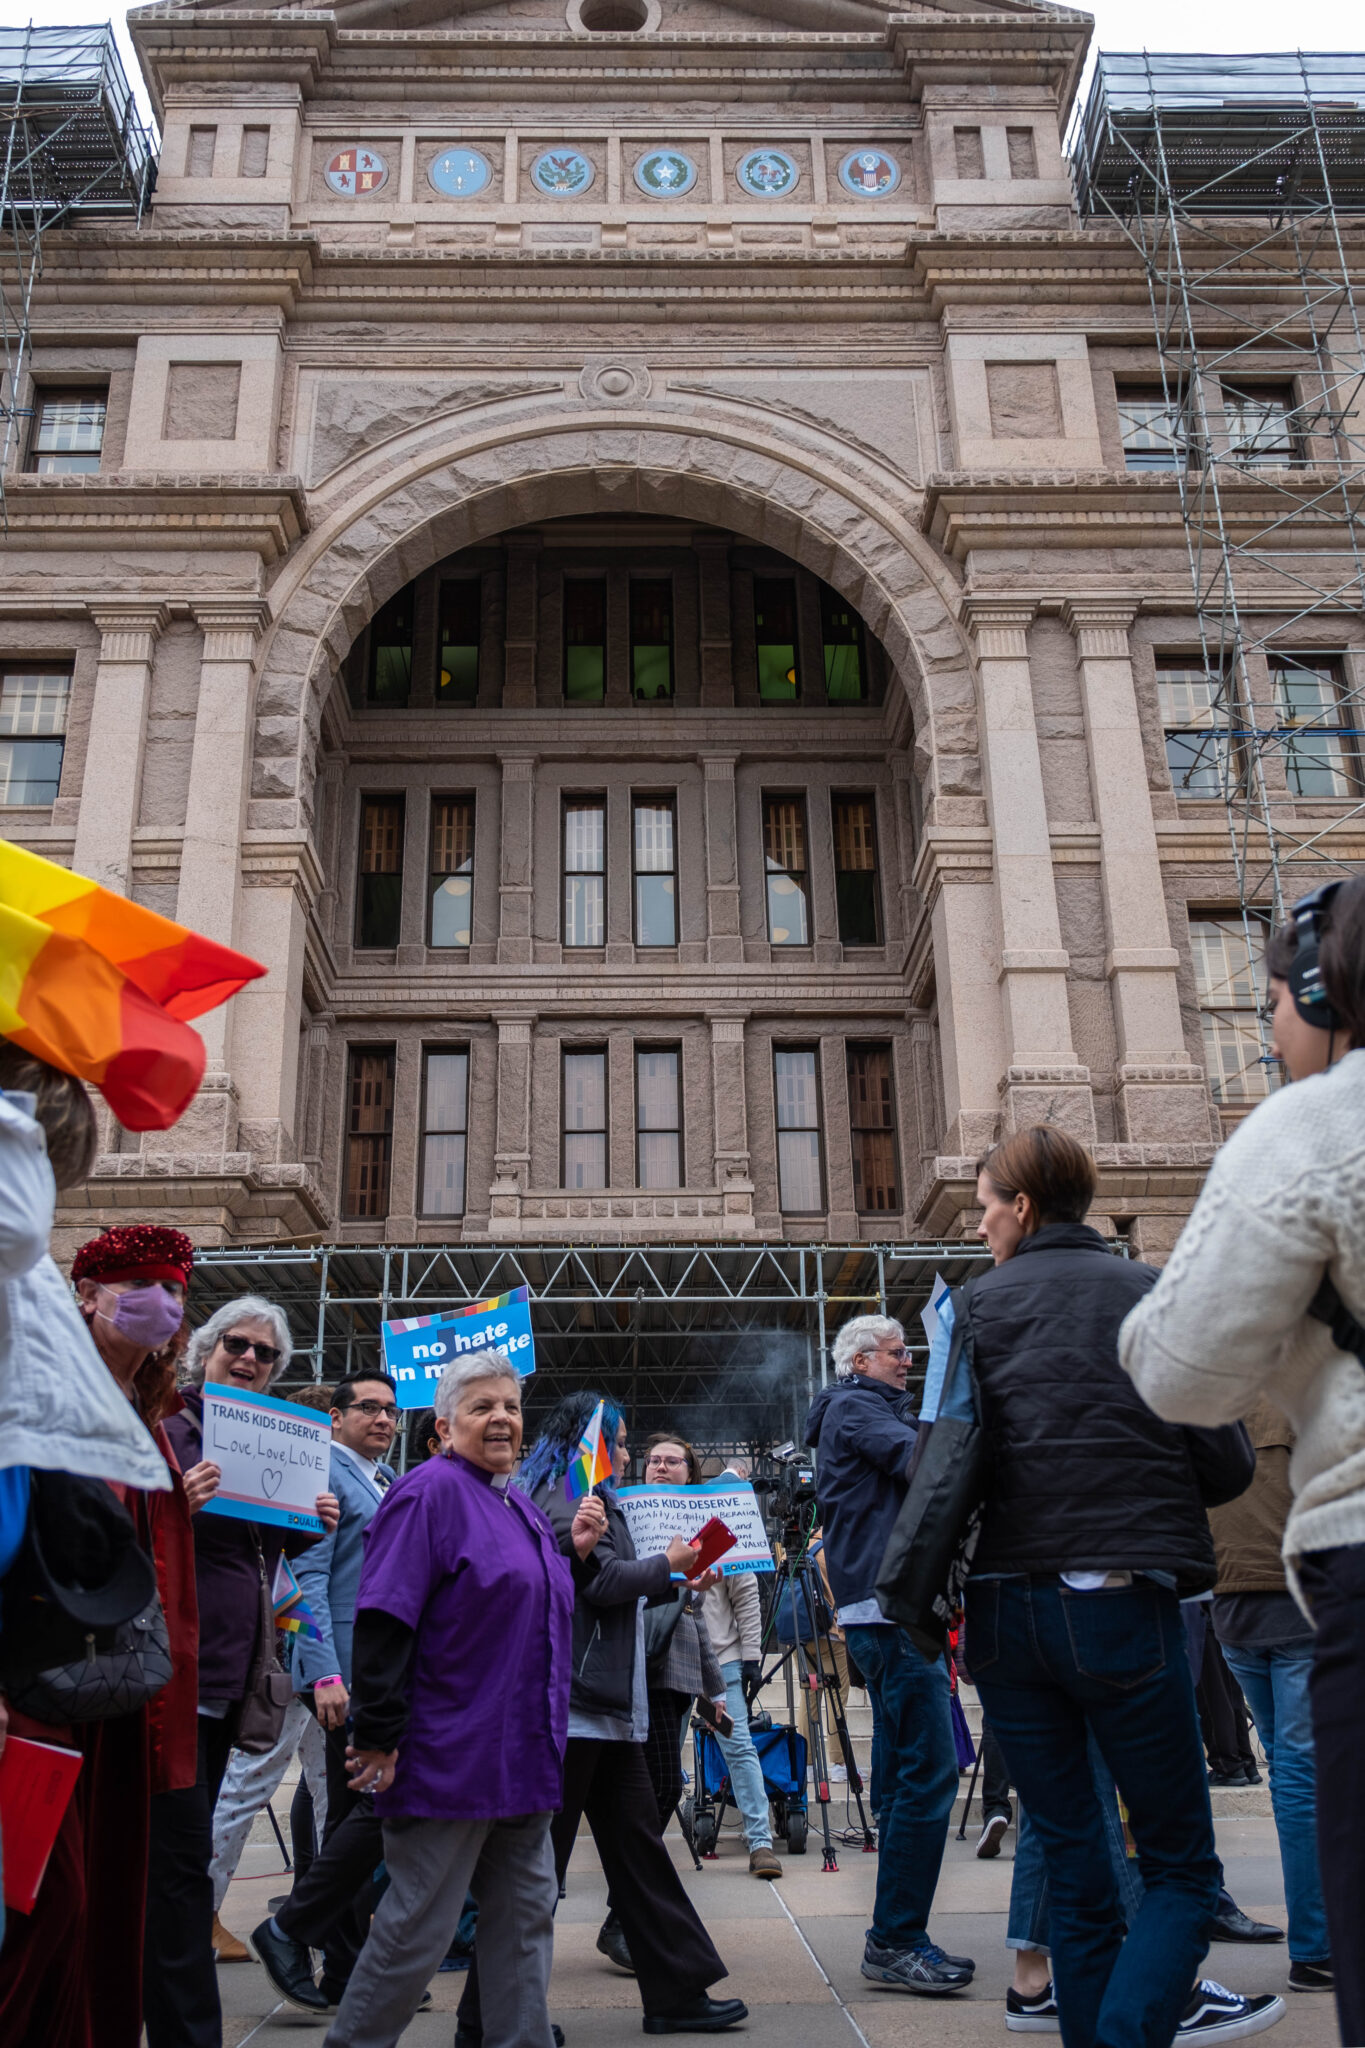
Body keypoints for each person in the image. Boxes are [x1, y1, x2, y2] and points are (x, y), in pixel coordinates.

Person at [961, 1124, 1280, 2048]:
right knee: (1180, 1869)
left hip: (1005, 1613)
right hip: (1118, 1606)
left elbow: (947, 1468)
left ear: (1022, 1207)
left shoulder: (972, 1311)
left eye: (985, 1209)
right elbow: (1224, 1461)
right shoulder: (1154, 1293)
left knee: (1071, 1859)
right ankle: (1127, 2033)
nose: (980, 1228)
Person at [1121, 873, 1365, 2041]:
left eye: (1272, 998)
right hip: (1271, 1591)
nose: (1266, 1027)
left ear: (1324, 992)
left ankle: (1325, 1949)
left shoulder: (1311, 1123)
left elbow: (1175, 1368)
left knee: (1320, 1784)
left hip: (1337, 1560)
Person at [267, 1351, 594, 2048]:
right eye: (481, 1408)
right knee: (418, 1927)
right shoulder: (428, 1493)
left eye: (509, 1405)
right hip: (450, 1754)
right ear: (444, 1426)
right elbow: (386, 1621)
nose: (501, 1418)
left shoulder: (520, 1508)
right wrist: (378, 1734)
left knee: (525, 1920)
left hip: (525, 1755)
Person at [455, 1390, 747, 2040]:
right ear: (590, 1438)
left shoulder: (571, 1488)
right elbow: (594, 1581)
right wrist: (669, 1565)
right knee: (534, 1871)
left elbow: (605, 1577)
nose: (623, 1449)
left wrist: (671, 1574)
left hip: (596, 1704)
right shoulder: (571, 1491)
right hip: (576, 1704)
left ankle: (675, 1992)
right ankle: (484, 2022)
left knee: (634, 1848)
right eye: (615, 1438)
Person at [0, 1086, 187, 2048]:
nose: (165, 1305)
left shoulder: (143, 1416)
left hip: (110, 1686)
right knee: (42, 1905)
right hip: (33, 1678)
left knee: (95, 1894)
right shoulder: (34, 1362)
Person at [152, 1296, 338, 2048]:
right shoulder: (169, 1426)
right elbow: (111, 1529)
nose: (252, 1360)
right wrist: (171, 1503)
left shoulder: (271, 1440)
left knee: (182, 1855)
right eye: (239, 1345)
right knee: (179, 1860)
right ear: (205, 1349)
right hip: (171, 1673)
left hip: (231, 1674)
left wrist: (307, 1522)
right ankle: (184, 2027)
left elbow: (264, 1555)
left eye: (267, 1355)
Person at [804, 1315, 968, 1994]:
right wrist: (955, 1410)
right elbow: (922, 1464)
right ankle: (897, 1938)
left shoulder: (856, 1408)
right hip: (889, 1607)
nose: (908, 1362)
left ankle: (896, 1938)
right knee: (927, 1772)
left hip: (882, 1609)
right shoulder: (854, 1407)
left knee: (906, 1776)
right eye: (898, 1354)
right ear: (860, 1360)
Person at [249, 1371, 401, 2010]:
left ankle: (344, 1968)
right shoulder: (327, 1475)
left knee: (348, 1814)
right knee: (375, 1807)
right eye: (368, 1408)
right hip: (346, 1670)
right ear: (334, 1418)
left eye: (391, 1411)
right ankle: (290, 1930)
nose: (384, 1420)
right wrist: (324, 1673)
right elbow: (302, 1579)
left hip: (374, 1667)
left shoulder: (381, 1479)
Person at [208, 1386, 336, 1956]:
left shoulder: (322, 1486)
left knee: (331, 1788)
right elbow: (288, 1577)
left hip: (311, 1665)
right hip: (290, 1664)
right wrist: (313, 1650)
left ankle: (335, 1916)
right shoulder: (283, 1485)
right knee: (246, 1787)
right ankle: (201, 1912)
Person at [1208, 1400, 1331, 1993]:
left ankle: (1319, 1941)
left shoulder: (1207, 1401)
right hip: (1301, 1599)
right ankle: (1318, 1945)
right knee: (1306, 1777)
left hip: (1233, 1602)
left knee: (1292, 1774)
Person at [645, 1434, 782, 1881]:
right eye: (653, 1461)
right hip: (655, 1661)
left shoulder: (716, 1519)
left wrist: (750, 1658)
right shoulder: (635, 1520)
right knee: (657, 1763)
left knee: (738, 1747)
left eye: (672, 1461)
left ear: (691, 1472)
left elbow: (745, 1596)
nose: (661, 1468)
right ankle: (642, 1849)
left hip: (713, 1663)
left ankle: (761, 1842)